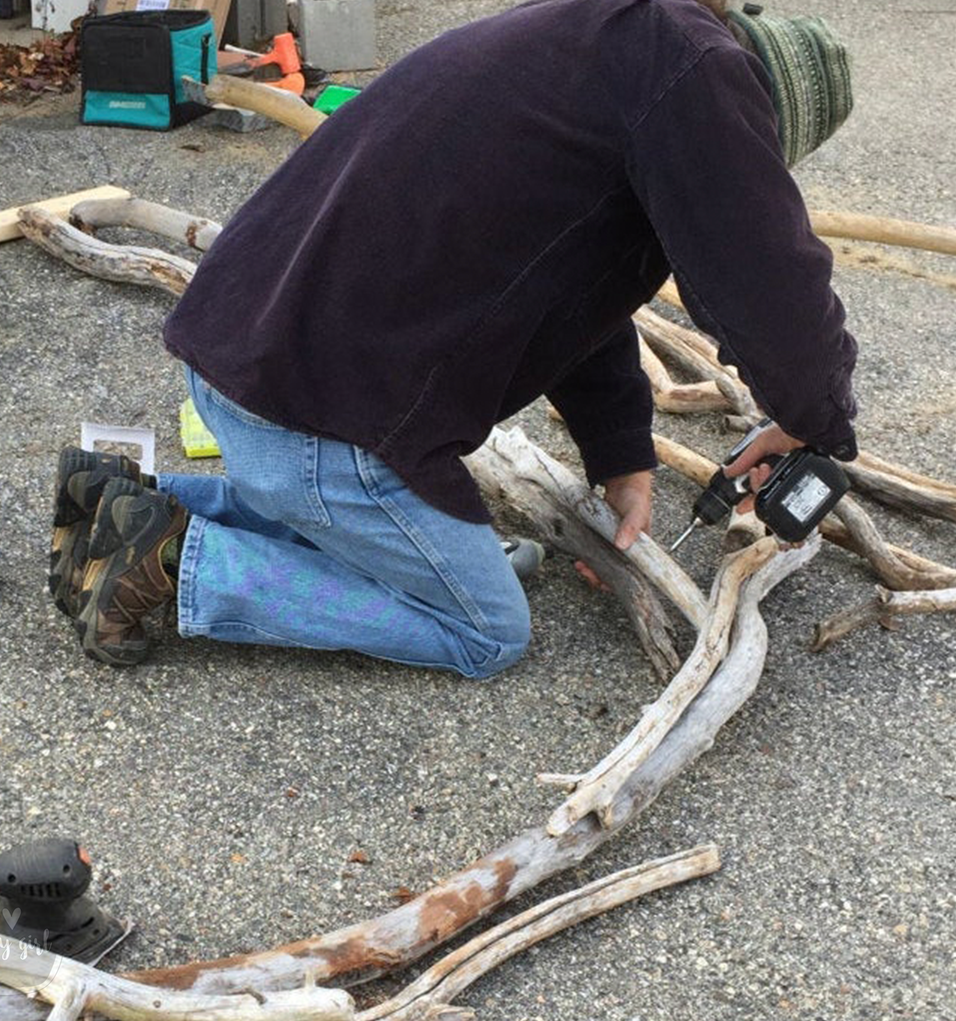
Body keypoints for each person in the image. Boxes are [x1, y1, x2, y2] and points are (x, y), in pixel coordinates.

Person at [50, 0, 858, 674]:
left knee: (426, 546)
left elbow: (583, 289)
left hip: (244, 363)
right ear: (762, 120)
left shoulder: (604, 46)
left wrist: (621, 459)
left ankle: (124, 501)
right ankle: (178, 561)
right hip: (314, 422)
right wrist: (816, 419)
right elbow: (772, 286)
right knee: (485, 630)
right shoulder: (701, 77)